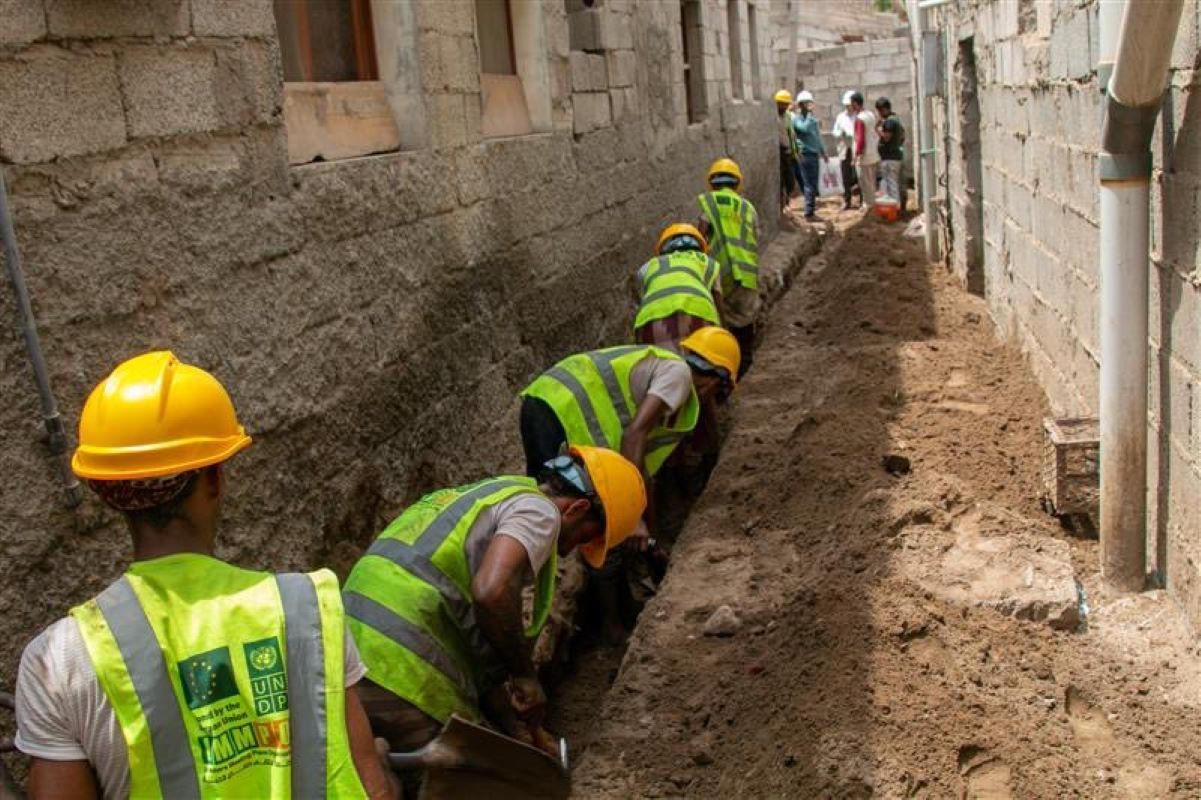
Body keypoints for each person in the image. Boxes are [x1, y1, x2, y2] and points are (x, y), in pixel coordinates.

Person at [14, 351, 396, 800]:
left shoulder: (59, 662)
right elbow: (374, 790)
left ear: (107, 493)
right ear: (214, 479)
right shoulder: (308, 612)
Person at [344, 445, 645, 761]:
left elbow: (478, 644)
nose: (570, 551)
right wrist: (526, 675)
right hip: (400, 664)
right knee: (456, 782)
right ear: (577, 509)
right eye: (584, 537)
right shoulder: (540, 512)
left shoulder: (488, 495)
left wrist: (513, 729)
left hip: (347, 653)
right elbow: (492, 592)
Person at [518, 328, 739, 641]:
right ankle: (565, 610)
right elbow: (633, 435)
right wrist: (634, 520)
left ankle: (613, 615)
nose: (710, 401)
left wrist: (652, 533)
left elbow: (641, 474)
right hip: (554, 410)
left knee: (601, 522)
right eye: (716, 391)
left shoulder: (670, 389)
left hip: (557, 408)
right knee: (565, 521)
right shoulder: (677, 375)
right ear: (714, 376)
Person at [694, 158, 760, 377]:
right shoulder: (748, 208)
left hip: (720, 277)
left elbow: (699, 238)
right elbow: (755, 237)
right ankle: (744, 368)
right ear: (737, 183)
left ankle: (725, 374)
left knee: (721, 327)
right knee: (745, 326)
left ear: (712, 183)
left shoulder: (710, 205)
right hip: (746, 275)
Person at [633, 223, 722, 350]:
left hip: (652, 321)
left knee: (664, 367)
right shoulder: (709, 263)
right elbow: (717, 297)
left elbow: (644, 299)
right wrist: (724, 330)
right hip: (699, 316)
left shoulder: (648, 266)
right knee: (699, 366)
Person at [791, 90, 826, 220]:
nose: (809, 106)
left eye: (809, 103)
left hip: (814, 154)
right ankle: (809, 212)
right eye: (806, 104)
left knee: (813, 184)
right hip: (804, 155)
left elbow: (817, 137)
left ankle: (811, 209)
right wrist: (810, 117)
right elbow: (804, 129)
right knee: (808, 185)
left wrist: (823, 151)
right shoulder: (796, 119)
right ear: (800, 105)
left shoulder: (812, 120)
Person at [850, 91, 880, 210]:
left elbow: (860, 139)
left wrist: (857, 157)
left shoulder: (860, 119)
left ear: (855, 104)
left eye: (852, 104)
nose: (851, 107)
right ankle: (872, 204)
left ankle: (869, 206)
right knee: (871, 182)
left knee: (865, 184)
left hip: (865, 157)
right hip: (874, 154)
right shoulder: (870, 114)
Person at [831, 90, 860, 210]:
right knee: (845, 175)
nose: (849, 108)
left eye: (850, 105)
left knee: (859, 174)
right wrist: (841, 134)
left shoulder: (859, 116)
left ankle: (861, 200)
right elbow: (835, 132)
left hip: (856, 147)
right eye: (847, 106)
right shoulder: (840, 117)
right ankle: (847, 200)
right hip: (844, 148)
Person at [875, 97, 906, 207]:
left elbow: (886, 137)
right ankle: (895, 207)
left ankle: (894, 208)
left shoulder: (889, 122)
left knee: (891, 184)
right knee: (892, 183)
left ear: (884, 109)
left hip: (890, 158)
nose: (879, 114)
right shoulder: (896, 119)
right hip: (894, 157)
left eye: (880, 111)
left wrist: (877, 129)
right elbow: (903, 136)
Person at [774, 89, 798, 211]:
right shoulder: (773, 117)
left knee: (790, 181)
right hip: (778, 152)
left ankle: (786, 200)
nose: (783, 106)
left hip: (788, 151)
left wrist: (795, 150)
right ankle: (782, 205)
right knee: (780, 180)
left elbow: (792, 134)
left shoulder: (789, 116)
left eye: (785, 104)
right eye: (781, 103)